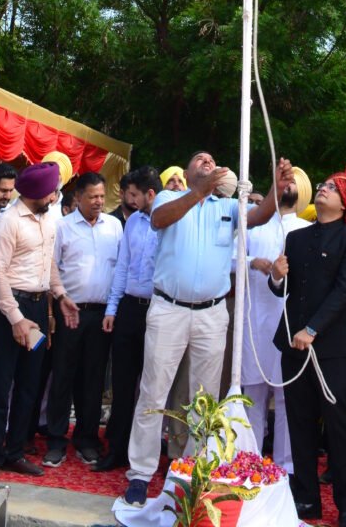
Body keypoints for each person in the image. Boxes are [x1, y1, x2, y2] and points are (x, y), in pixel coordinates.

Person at [118, 151, 293, 510]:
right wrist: (198, 191)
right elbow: (159, 221)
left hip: (212, 314)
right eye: (200, 159)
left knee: (204, 399)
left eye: (212, 159)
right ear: (187, 172)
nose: (207, 161)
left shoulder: (227, 206)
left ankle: (192, 471)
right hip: (168, 309)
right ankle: (140, 474)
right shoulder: (168, 198)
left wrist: (276, 188)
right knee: (153, 392)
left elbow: (259, 216)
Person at [268, 164, 346, 527]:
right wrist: (275, 277)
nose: (323, 189)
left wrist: (312, 328)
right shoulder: (296, 238)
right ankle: (307, 498)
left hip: (335, 349)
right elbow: (284, 290)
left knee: (339, 426)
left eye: (332, 187)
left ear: (345, 203)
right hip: (295, 346)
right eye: (323, 185)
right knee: (299, 423)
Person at [0, 161, 79, 484]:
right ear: (38, 192)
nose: (55, 196)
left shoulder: (48, 220)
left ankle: (15, 452)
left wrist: (61, 295)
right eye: (52, 191)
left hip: (37, 307)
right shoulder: (7, 224)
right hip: (8, 309)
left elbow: (47, 261)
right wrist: (15, 319)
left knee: (29, 383)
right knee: (1, 385)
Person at [43, 171, 123, 467]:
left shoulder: (114, 226)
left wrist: (113, 310)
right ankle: (56, 440)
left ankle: (87, 440)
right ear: (78, 197)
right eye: (92, 197)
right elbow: (50, 267)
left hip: (101, 314)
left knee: (93, 379)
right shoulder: (62, 227)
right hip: (69, 312)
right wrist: (57, 304)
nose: (98, 201)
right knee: (63, 376)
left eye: (101, 196)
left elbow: (120, 269)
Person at [241, 167, 312, 474]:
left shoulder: (307, 230)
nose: (288, 186)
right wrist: (251, 262)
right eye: (285, 181)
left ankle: (286, 470)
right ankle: (248, 466)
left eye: (294, 182)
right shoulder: (253, 227)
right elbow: (226, 260)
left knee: (287, 400)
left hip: (290, 326)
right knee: (252, 399)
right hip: (254, 325)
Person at [96, 165, 164, 472]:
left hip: (159, 309)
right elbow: (123, 265)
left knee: (152, 385)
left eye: (134, 194)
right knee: (122, 383)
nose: (130, 200)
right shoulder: (133, 221)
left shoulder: (171, 221)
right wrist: (112, 308)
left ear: (150, 194)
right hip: (128, 309)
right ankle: (117, 448)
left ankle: (146, 455)